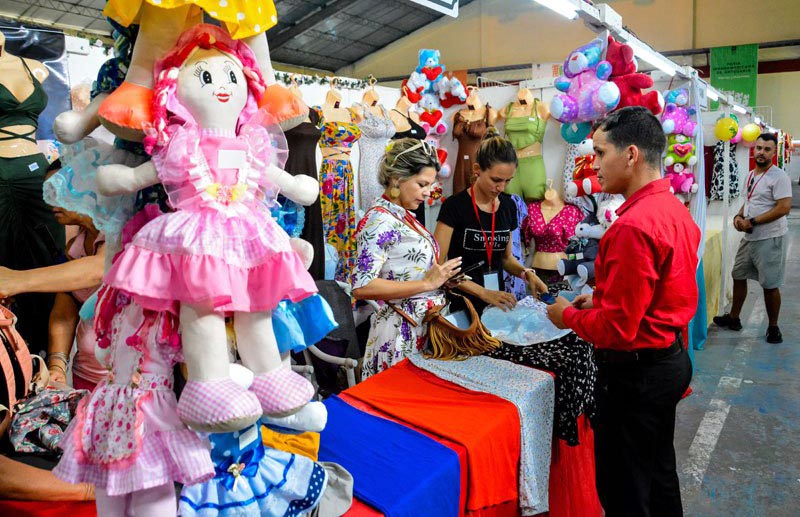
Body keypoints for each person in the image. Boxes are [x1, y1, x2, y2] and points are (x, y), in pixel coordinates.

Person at [546, 107, 699, 516]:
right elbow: (659, 291)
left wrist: (567, 317)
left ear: (630, 154)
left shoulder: (633, 226)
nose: (594, 164)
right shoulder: (671, 208)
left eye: (600, 153)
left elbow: (618, 329)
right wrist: (601, 299)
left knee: (625, 491)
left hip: (636, 377)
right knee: (658, 475)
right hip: (667, 360)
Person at [352, 138, 462, 379]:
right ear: (396, 179)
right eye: (422, 184)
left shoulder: (403, 216)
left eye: (430, 185)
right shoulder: (379, 221)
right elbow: (362, 286)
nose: (428, 192)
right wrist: (426, 284)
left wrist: (440, 280)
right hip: (399, 335)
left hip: (419, 328)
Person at [434, 130, 547, 314]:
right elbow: (439, 266)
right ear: (477, 170)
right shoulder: (454, 206)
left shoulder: (508, 206)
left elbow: (506, 259)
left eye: (508, 181)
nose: (501, 187)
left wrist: (526, 273)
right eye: (496, 180)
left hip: (496, 306)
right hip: (463, 306)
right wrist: (482, 292)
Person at [713, 133, 792, 344]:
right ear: (753, 149)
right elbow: (749, 201)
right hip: (750, 237)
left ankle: (773, 327)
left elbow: (784, 208)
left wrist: (753, 221)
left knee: (770, 284)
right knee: (738, 274)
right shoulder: (750, 175)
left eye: (767, 149)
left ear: (774, 153)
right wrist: (739, 217)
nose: (761, 152)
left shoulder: (779, 177)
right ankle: (734, 318)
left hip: (770, 237)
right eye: (758, 148)